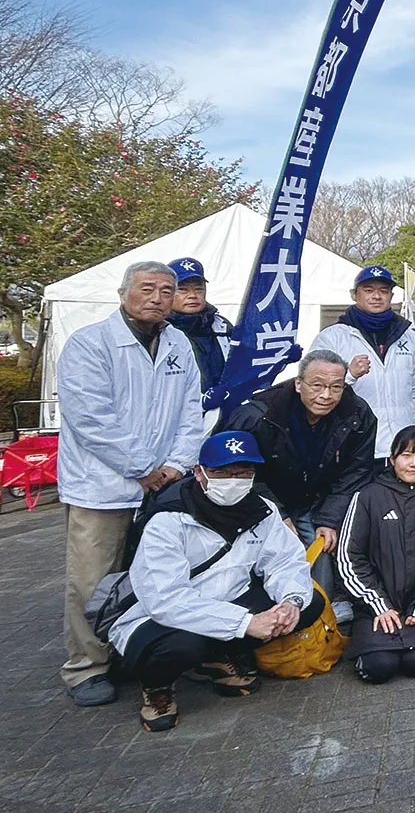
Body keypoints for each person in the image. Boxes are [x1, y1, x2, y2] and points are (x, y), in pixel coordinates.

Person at [57, 261, 205, 707]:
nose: (157, 298)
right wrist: (143, 466)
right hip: (103, 484)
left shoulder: (177, 342)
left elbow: (190, 411)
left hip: (161, 484)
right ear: (123, 292)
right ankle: (86, 665)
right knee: (92, 576)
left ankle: (129, 650)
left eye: (166, 290)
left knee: (150, 573)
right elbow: (90, 418)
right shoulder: (90, 343)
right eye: (147, 288)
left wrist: (176, 464)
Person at [109, 431, 322, 732]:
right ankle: (157, 688)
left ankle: (217, 659)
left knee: (309, 602)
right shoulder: (168, 520)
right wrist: (245, 623)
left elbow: (285, 562)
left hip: (228, 602)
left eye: (242, 472)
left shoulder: (263, 510)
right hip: (160, 618)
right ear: (199, 472)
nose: (232, 480)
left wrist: (290, 601)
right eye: (221, 472)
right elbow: (166, 600)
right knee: (185, 643)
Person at [223, 350, 377, 551]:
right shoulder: (258, 417)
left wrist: (329, 519)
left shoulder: (357, 413)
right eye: (317, 385)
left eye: (336, 387)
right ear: (298, 384)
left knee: (323, 559)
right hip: (261, 502)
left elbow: (356, 472)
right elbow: (238, 474)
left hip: (318, 504)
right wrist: (277, 515)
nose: (326, 395)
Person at [336, 426, 415, 684]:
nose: (414, 463)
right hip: (375, 604)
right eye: (406, 455)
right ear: (392, 460)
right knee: (380, 666)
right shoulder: (368, 496)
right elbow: (349, 557)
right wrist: (379, 605)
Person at [311, 265, 415, 465]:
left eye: (383, 291)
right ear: (354, 295)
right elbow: (314, 390)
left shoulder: (409, 337)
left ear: (391, 296)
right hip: (355, 445)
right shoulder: (332, 337)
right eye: (368, 290)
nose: (376, 296)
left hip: (402, 447)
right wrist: (349, 375)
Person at [165, 256, 232, 402]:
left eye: (198, 289)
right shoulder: (157, 330)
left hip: (226, 409)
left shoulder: (222, 326)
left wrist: (277, 355)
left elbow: (246, 359)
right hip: (177, 416)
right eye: (183, 290)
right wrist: (201, 401)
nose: (192, 296)